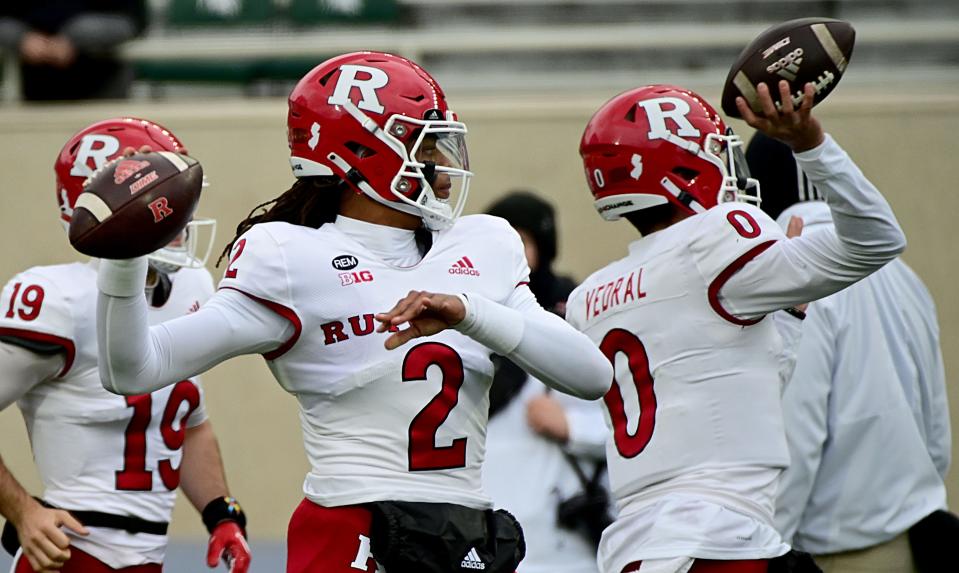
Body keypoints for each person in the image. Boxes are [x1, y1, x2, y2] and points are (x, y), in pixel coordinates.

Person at [89, 52, 613, 573]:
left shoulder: (483, 242)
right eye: (426, 144)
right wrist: (124, 260)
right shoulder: (291, 257)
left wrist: (469, 312)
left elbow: (592, 376)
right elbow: (134, 369)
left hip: (465, 526)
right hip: (354, 526)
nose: (447, 164)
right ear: (361, 153)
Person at [565, 80, 907, 573]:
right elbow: (878, 239)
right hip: (719, 541)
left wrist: (788, 318)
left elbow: (738, 384)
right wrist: (808, 141)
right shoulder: (716, 240)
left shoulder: (590, 296)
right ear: (680, 167)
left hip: (642, 547)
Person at [0, 118, 250, 573]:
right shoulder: (58, 299)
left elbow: (189, 421)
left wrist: (220, 513)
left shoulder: (192, 284)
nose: (178, 214)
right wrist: (23, 512)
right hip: (69, 552)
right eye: (158, 200)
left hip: (147, 556)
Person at [746, 132, 955, 573]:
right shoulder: (902, 273)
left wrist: (766, 556)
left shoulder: (800, 276)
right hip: (913, 541)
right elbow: (936, 430)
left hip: (835, 553)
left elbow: (794, 440)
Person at [482, 191, 610, 573]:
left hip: (561, 547)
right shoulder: (466, 321)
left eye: (520, 241)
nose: (508, 254)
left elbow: (633, 425)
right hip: (488, 538)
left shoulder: (576, 318)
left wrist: (571, 426)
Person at [0, 2, 147, 101]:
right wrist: (21, 38)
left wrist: (75, 37)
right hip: (31, 91)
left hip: (103, 88)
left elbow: (131, 23)